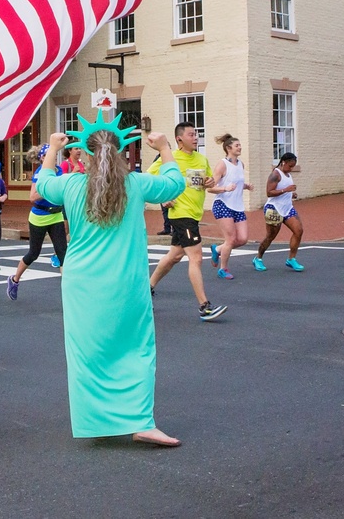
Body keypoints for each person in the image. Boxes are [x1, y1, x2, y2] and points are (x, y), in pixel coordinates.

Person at [36, 114, 185, 446]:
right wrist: (164, 148)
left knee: (87, 354)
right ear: (120, 153)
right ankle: (141, 422)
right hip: (126, 284)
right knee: (137, 349)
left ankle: (96, 422)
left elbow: (42, 184)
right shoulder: (136, 183)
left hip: (81, 284)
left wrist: (53, 150)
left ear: (83, 155)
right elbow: (175, 183)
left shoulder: (71, 184)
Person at [147, 122, 227, 321]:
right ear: (179, 139)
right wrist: (163, 198)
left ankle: (146, 290)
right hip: (181, 215)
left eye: (197, 133)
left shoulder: (201, 158)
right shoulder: (170, 159)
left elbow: (208, 181)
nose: (195, 137)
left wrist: (211, 181)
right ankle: (204, 306)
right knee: (196, 257)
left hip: (194, 214)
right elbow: (147, 181)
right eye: (191, 134)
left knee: (174, 256)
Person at [6, 144, 68, 300]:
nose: (53, 158)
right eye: (49, 155)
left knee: (63, 254)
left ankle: (67, 289)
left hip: (56, 215)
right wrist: (48, 187)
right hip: (39, 216)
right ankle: (14, 280)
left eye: (53, 154)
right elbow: (32, 197)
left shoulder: (59, 170)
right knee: (34, 253)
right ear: (42, 159)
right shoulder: (40, 174)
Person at [209, 133, 254, 279]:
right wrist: (225, 189)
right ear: (229, 148)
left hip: (238, 206)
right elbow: (210, 188)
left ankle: (218, 249)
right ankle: (223, 269)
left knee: (242, 239)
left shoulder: (241, 164)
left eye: (240, 145)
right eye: (237, 145)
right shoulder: (222, 164)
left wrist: (245, 186)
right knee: (230, 239)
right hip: (223, 204)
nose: (240, 148)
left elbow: (237, 182)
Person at [251, 152, 304, 272]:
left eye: (293, 166)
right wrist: (286, 190)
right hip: (274, 208)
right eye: (290, 166)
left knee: (299, 230)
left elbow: (285, 191)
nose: (291, 169)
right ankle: (258, 258)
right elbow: (269, 192)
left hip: (287, 208)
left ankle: (291, 259)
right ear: (283, 162)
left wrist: (291, 194)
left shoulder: (288, 174)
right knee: (270, 236)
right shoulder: (275, 174)